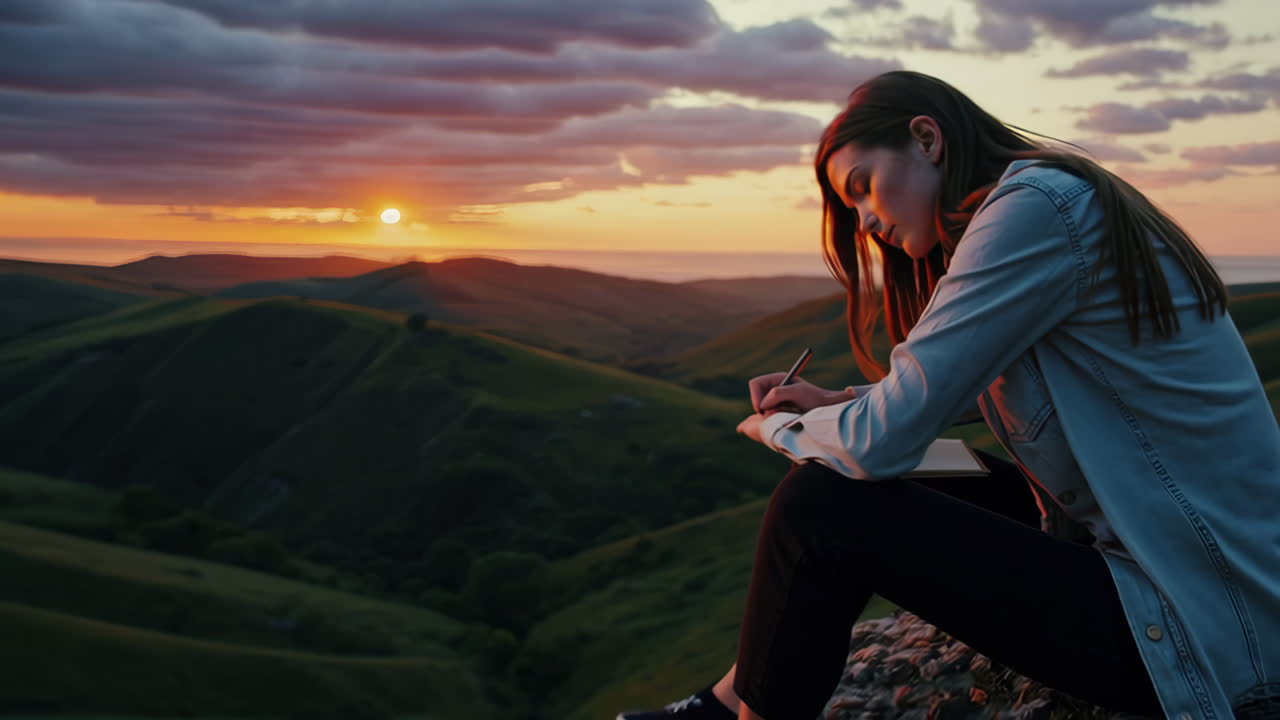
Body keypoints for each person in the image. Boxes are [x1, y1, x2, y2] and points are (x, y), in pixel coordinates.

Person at [616, 70, 1280, 720]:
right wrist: (835, 399)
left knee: (823, 505)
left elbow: (881, 440)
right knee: (937, 476)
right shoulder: (1054, 200)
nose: (868, 220)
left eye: (864, 188)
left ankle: (739, 712)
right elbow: (978, 383)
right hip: (1172, 564)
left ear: (927, 139)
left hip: (1206, 617)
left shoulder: (1034, 210)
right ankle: (728, 698)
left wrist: (785, 432)